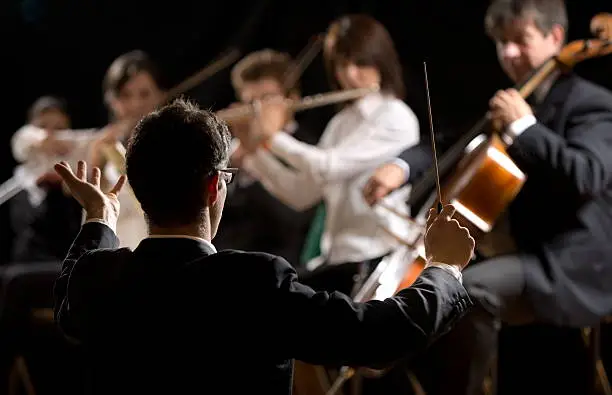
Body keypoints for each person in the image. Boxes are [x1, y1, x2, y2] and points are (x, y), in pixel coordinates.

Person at [52, 98, 475, 395]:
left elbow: (71, 283)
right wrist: (443, 267)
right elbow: (376, 338)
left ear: (140, 190)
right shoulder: (253, 280)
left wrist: (98, 217)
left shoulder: (98, 279)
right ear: (215, 185)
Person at [369, 1, 612, 394]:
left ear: (555, 37)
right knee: (425, 291)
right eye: (502, 43)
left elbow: (587, 175)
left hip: (568, 261)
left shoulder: (590, 103)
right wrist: (401, 165)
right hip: (510, 250)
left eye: (521, 40)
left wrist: (525, 127)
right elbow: (452, 140)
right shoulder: (515, 98)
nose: (510, 53)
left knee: (465, 292)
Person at [234, 14, 421, 296]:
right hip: (338, 257)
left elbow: (327, 167)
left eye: (361, 63)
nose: (350, 75)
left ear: (381, 60)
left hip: (377, 257)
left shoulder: (395, 116)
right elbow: (303, 193)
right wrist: (255, 152)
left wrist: (273, 137)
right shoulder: (340, 123)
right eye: (342, 65)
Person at [215, 49, 319, 265]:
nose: (256, 111)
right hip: (225, 265)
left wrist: (255, 156)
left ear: (292, 98)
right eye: (250, 102)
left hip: (280, 270)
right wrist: (232, 166)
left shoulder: (309, 148)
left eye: (266, 99)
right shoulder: (232, 151)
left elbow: (295, 221)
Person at [88, 50, 166, 250]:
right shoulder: (100, 145)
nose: (136, 104)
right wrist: (95, 165)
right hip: (112, 257)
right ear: (112, 100)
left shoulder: (172, 145)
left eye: (145, 94)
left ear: (160, 95)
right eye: (125, 96)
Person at [9, 96, 85, 262]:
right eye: (42, 128)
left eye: (59, 129)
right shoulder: (20, 181)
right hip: (24, 271)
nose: (51, 138)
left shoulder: (81, 179)